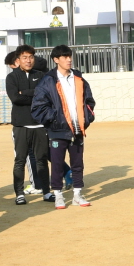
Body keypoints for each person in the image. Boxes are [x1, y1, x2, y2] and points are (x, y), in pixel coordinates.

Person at [30, 45, 96, 208]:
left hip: (78, 129)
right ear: (56, 60)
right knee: (57, 164)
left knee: (78, 164)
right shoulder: (47, 81)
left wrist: (86, 118)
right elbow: (38, 107)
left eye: (69, 56)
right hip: (57, 130)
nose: (69, 59)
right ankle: (58, 195)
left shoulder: (79, 79)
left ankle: (77, 194)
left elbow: (89, 101)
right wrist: (55, 118)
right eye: (65, 57)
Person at [5, 44, 50, 205]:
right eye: (25, 57)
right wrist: (34, 96)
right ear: (18, 60)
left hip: (39, 125)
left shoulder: (41, 75)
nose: (28, 60)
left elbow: (45, 96)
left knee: (42, 159)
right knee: (20, 160)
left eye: (31, 57)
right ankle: (19, 194)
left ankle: (46, 192)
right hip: (21, 125)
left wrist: (24, 92)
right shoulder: (12, 77)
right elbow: (15, 98)